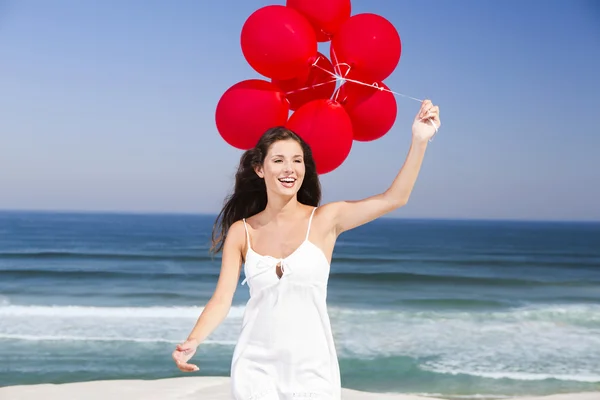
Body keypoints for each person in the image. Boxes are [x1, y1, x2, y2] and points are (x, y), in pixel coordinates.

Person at [172, 100, 441, 399]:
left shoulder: (326, 219)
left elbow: (395, 198)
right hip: (255, 367)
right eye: (279, 160)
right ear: (260, 169)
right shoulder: (242, 232)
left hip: (314, 370)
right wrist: (193, 340)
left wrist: (419, 140)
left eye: (297, 160)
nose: (290, 169)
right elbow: (222, 299)